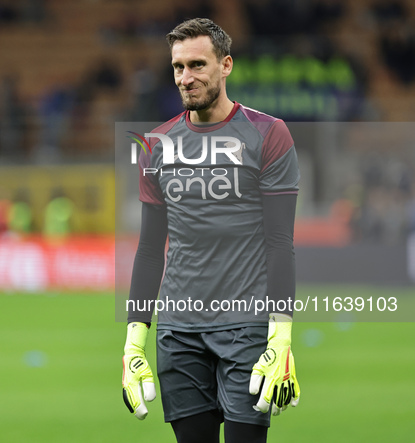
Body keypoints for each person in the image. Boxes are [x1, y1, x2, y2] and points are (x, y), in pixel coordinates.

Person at [121, 18, 301, 443]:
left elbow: (280, 243)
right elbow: (149, 250)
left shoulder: (268, 135)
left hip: (247, 326)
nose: (186, 77)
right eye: (178, 67)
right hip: (178, 330)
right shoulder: (156, 144)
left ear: (226, 65)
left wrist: (282, 335)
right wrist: (134, 341)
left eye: (197, 65)